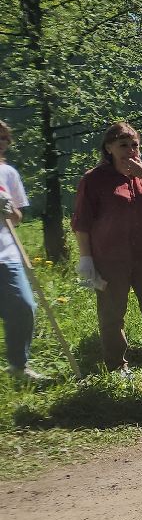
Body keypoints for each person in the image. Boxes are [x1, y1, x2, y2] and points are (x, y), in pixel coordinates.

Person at [72, 121, 142, 372]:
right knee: (112, 315)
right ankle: (117, 365)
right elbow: (82, 221)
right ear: (109, 148)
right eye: (123, 145)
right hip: (110, 258)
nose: (130, 150)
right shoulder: (94, 179)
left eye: (134, 145)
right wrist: (86, 259)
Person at [0, 119, 42, 384]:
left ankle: (18, 365)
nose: (1, 143)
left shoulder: (9, 174)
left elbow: (17, 218)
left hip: (6, 255)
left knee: (24, 307)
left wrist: (7, 210)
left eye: (4, 138)